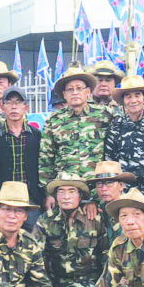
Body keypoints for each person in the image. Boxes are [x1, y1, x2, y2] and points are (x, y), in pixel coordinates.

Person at [32, 173, 106, 287]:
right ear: (56, 195)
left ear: (80, 195)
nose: (66, 197)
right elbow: (34, 254)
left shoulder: (94, 219)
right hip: (52, 279)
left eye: (72, 191)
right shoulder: (45, 219)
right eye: (61, 191)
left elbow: (105, 253)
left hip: (83, 280)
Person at [39, 66, 114, 210]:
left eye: (79, 88)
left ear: (88, 91)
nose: (75, 92)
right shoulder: (54, 120)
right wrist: (48, 193)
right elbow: (45, 159)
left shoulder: (106, 115)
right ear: (64, 94)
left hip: (98, 192)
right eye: (70, 89)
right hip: (65, 192)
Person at [0, 86, 44, 229]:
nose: (14, 107)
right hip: (4, 200)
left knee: (32, 237)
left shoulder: (36, 135)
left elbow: (44, 166)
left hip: (31, 200)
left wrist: (46, 195)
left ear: (26, 107)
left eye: (18, 102)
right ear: (3, 107)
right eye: (9, 102)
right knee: (4, 238)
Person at [104, 75, 144, 207]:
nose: (133, 100)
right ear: (123, 100)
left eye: (137, 95)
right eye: (128, 96)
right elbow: (110, 161)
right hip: (125, 192)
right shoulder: (115, 126)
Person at [86, 161, 135, 242]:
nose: (104, 189)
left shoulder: (133, 206)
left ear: (121, 186)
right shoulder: (100, 206)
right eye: (99, 184)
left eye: (109, 183)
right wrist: (91, 203)